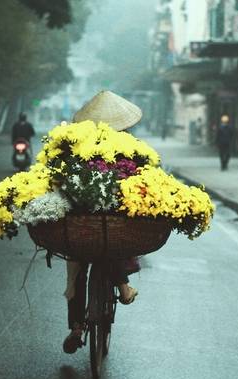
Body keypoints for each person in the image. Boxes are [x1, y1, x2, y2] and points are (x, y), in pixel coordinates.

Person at [61, 90, 143, 354]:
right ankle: (123, 286)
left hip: (81, 219)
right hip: (108, 217)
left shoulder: (77, 147)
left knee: (76, 271)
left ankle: (76, 326)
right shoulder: (129, 147)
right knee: (112, 242)